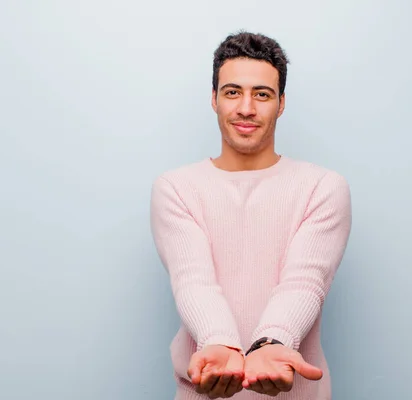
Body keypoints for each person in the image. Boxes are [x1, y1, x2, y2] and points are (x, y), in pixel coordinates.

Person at [150, 31, 352, 399]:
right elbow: (192, 280)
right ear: (214, 99)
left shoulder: (323, 187)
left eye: (262, 94)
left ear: (282, 102)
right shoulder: (176, 187)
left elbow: (305, 281)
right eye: (232, 92)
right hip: (204, 390)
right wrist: (220, 345)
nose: (246, 107)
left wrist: (270, 342)